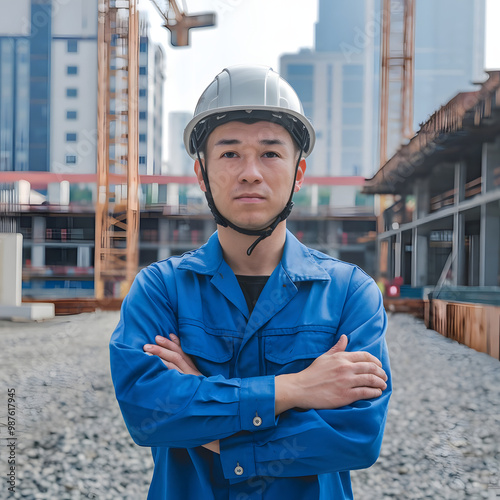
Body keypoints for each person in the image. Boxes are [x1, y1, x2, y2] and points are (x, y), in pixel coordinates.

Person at [110, 65, 392, 500]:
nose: (250, 172)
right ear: (202, 175)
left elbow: (357, 435)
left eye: (270, 153)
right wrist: (296, 388)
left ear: (298, 173)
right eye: (229, 153)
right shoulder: (160, 290)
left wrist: (210, 421)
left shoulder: (349, 294)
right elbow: (148, 414)